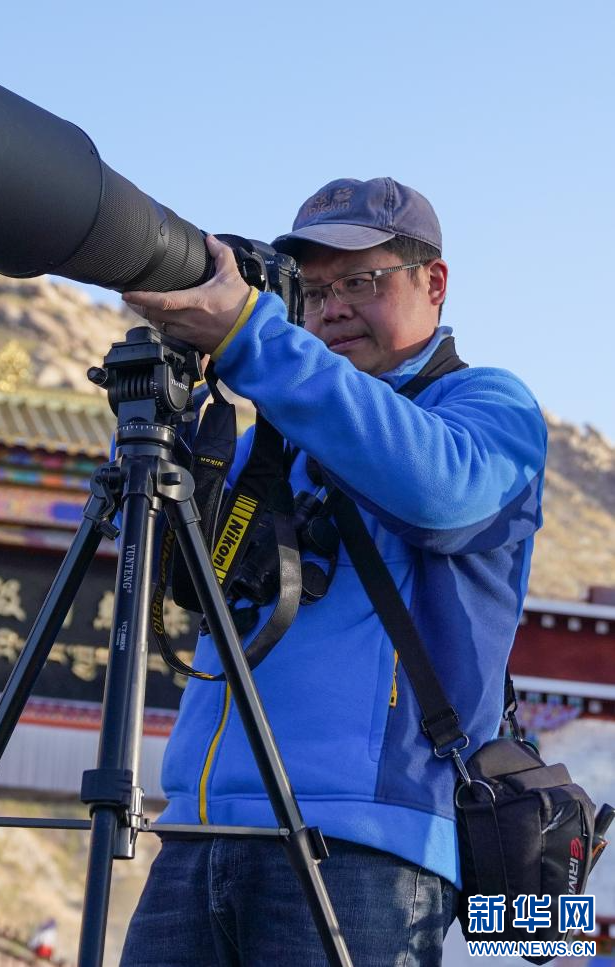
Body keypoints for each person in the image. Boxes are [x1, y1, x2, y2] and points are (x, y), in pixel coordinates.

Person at [117, 177, 547, 966]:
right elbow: (172, 568)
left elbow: (439, 492)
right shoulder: (271, 438)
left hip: (364, 848)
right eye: (312, 292)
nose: (332, 309)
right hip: (196, 832)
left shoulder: (489, 407)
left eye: (360, 282)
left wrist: (253, 339)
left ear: (434, 282)